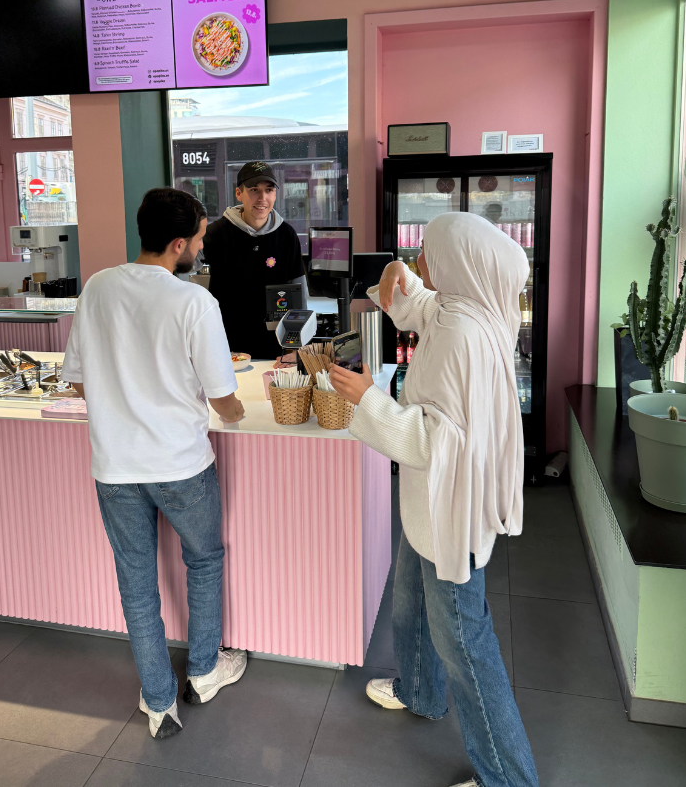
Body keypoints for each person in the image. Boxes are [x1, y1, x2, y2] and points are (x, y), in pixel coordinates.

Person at [329, 212, 539, 787]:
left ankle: (511, 779)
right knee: (409, 604)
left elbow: (432, 440)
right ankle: (419, 690)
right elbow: (423, 307)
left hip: (449, 512)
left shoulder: (464, 338)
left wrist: (367, 399)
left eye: (427, 252)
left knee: (467, 647)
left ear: (460, 265)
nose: (422, 259)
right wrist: (399, 277)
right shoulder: (471, 309)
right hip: (434, 507)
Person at [62, 188, 248, 740]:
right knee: (205, 560)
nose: (202, 245)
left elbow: (76, 381)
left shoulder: (97, 287)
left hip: (115, 467)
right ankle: (205, 670)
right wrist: (237, 407)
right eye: (199, 238)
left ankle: (158, 703)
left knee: (136, 582)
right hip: (181, 465)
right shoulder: (193, 302)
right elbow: (224, 400)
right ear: (176, 244)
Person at [202, 161, 305, 359]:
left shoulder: (286, 235)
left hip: (275, 347)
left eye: (269, 190)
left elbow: (299, 291)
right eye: (254, 190)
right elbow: (190, 273)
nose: (263, 198)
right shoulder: (217, 233)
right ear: (239, 194)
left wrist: (296, 346)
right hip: (226, 345)